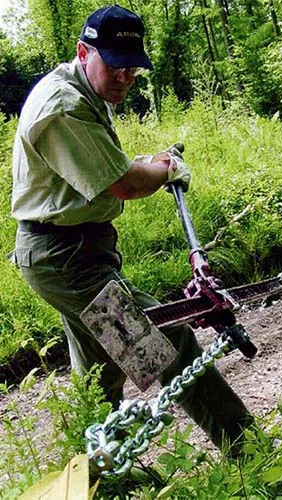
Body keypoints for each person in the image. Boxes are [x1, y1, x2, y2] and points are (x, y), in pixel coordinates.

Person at [10, 4, 253, 457]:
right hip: (64, 258)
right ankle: (248, 448)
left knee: (100, 371)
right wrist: (166, 170)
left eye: (133, 69)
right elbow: (123, 183)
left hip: (75, 250)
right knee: (164, 337)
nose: (125, 78)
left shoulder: (83, 93)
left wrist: (152, 165)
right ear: (85, 52)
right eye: (116, 67)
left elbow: (109, 167)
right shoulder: (63, 106)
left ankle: (100, 469)